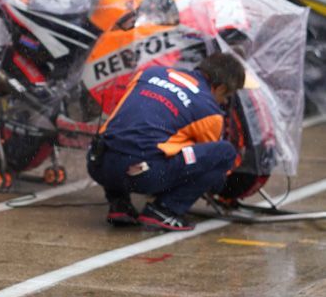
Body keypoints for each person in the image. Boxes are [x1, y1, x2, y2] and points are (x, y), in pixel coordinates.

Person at [87, 53, 246, 231]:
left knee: (124, 133)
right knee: (225, 153)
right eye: (227, 96)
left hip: (99, 163)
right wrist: (220, 185)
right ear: (221, 88)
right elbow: (207, 165)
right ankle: (165, 210)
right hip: (142, 175)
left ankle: (119, 204)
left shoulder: (149, 73)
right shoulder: (209, 110)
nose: (224, 101)